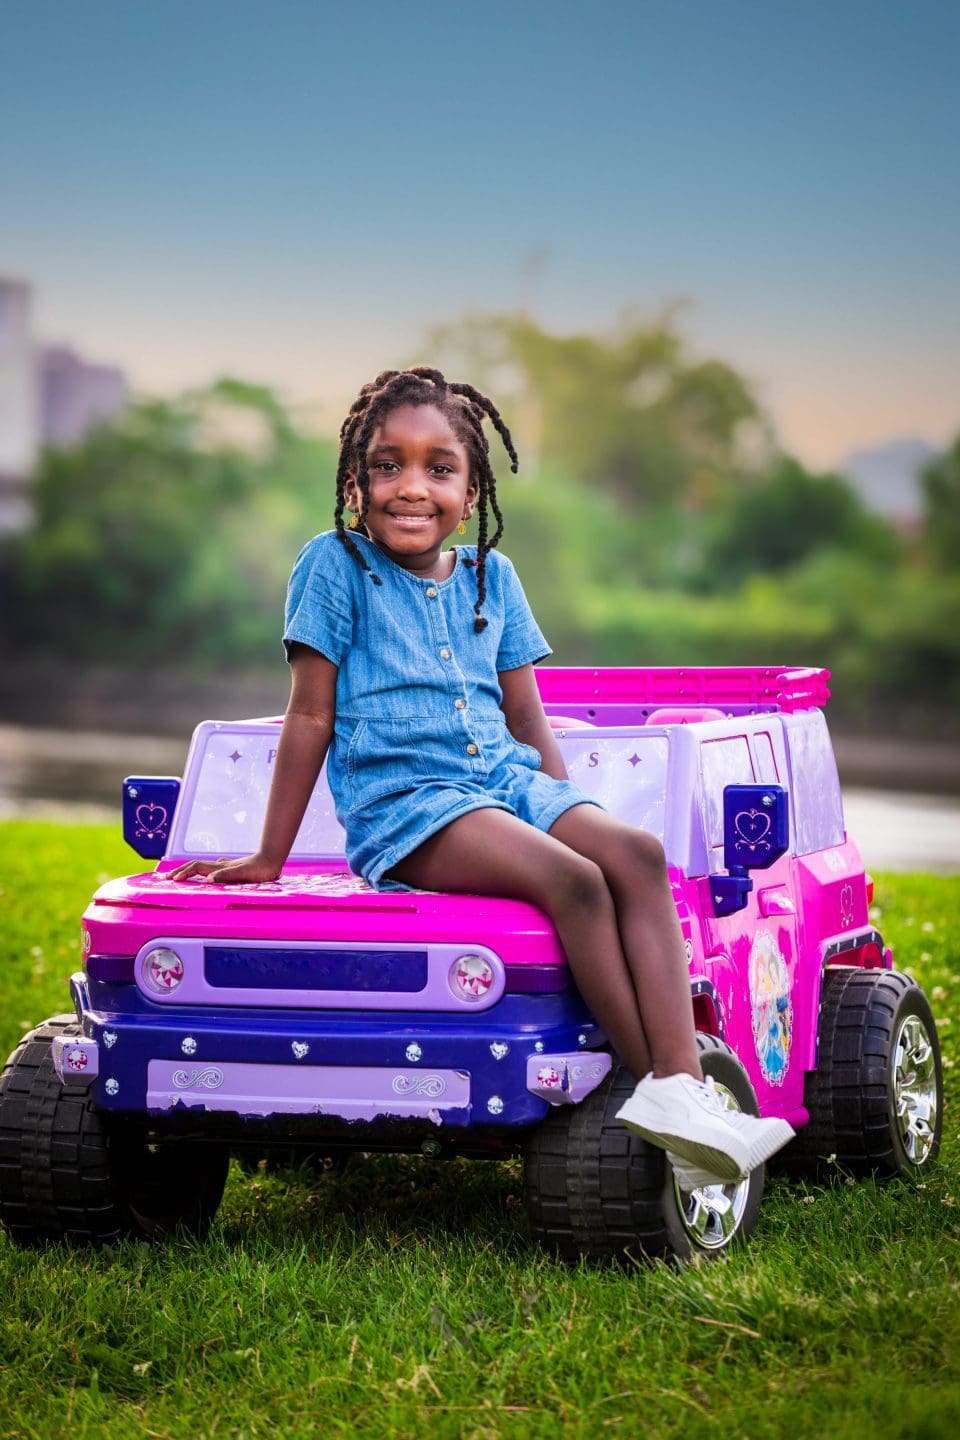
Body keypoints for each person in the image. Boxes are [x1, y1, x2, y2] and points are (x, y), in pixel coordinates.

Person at [170, 366, 793, 1186]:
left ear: (469, 494)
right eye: (387, 465)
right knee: (573, 880)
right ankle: (655, 1091)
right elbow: (311, 716)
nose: (411, 487)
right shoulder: (333, 566)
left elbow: (527, 718)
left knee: (636, 854)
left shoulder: (493, 577)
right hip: (409, 804)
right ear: (355, 485)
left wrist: (564, 804)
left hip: (508, 782)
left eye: (438, 468)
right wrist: (269, 856)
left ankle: (683, 1086)